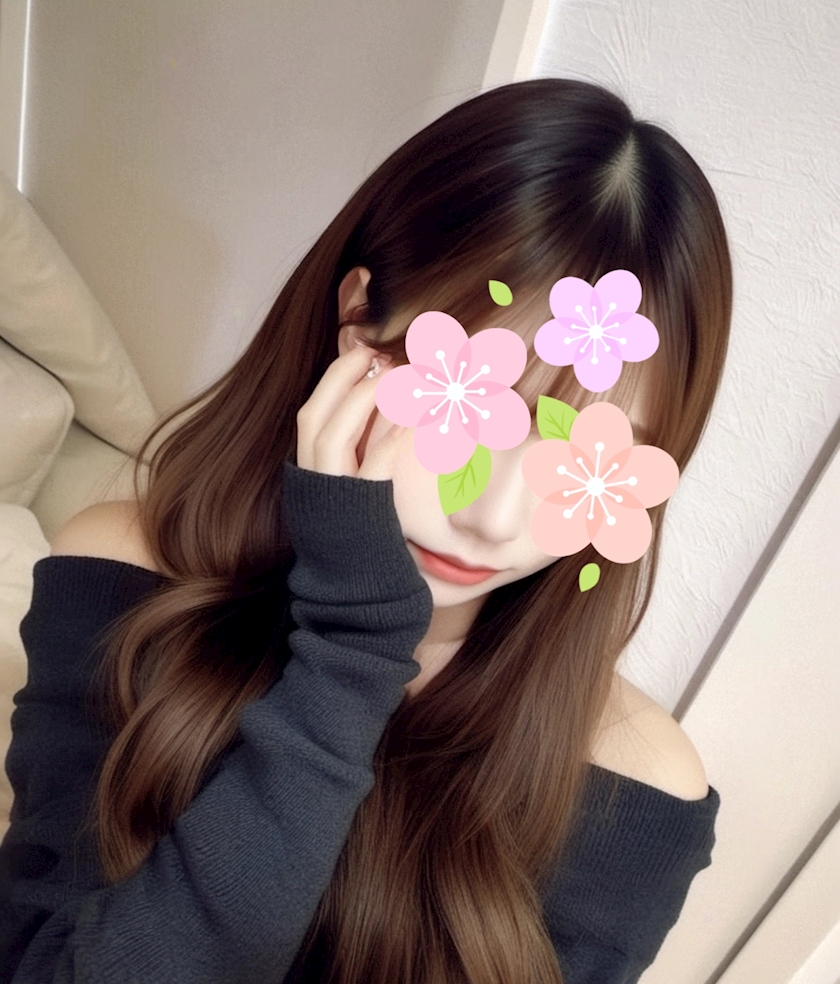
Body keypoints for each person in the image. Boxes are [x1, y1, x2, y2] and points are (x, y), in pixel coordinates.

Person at [0, 77, 731, 983]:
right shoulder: (124, 575)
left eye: (584, 455)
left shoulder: (638, 785)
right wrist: (353, 645)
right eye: (470, 406)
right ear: (357, 324)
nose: (493, 517)